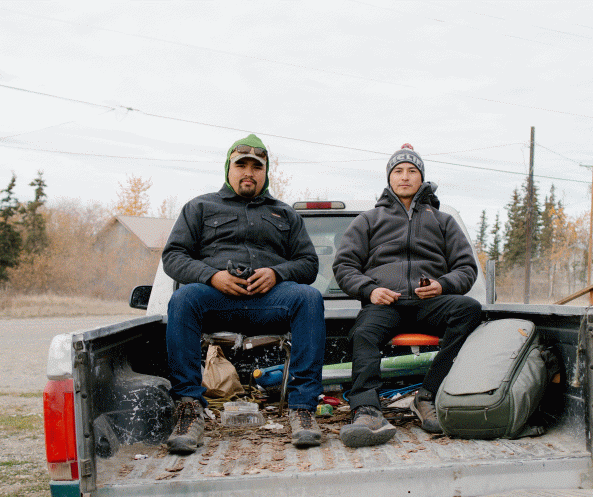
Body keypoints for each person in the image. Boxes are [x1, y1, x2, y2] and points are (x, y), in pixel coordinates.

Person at [161, 134, 325, 452]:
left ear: (265, 172)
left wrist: (278, 273)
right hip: (216, 301)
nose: (248, 172)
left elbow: (309, 264)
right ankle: (188, 410)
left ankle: (303, 409)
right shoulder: (199, 207)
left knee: (308, 297)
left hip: (270, 302)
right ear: (229, 168)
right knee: (182, 299)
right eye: (241, 165)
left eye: (256, 166)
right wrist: (211, 277)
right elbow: (174, 256)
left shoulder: (285, 214)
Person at [333, 144, 482, 447]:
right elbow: (344, 265)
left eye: (411, 171)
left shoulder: (443, 221)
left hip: (431, 304)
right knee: (363, 332)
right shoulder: (369, 220)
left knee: (469, 310)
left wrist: (443, 285)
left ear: (421, 178)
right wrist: (371, 290)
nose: (404, 177)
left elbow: (466, 268)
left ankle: (428, 396)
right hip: (387, 304)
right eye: (398, 171)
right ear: (389, 178)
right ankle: (366, 410)